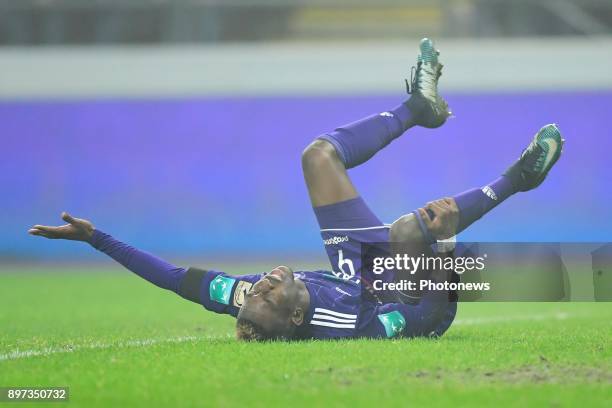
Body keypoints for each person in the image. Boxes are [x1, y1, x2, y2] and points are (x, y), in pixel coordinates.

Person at [28, 38, 564, 341]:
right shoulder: (353, 327)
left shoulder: (247, 300)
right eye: (268, 293)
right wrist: (443, 254)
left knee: (316, 157)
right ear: (295, 317)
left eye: (252, 289)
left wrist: (96, 239)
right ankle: (519, 179)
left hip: (351, 267)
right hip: (406, 294)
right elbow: (425, 319)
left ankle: (416, 110)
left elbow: (171, 279)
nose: (259, 283)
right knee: (409, 231)